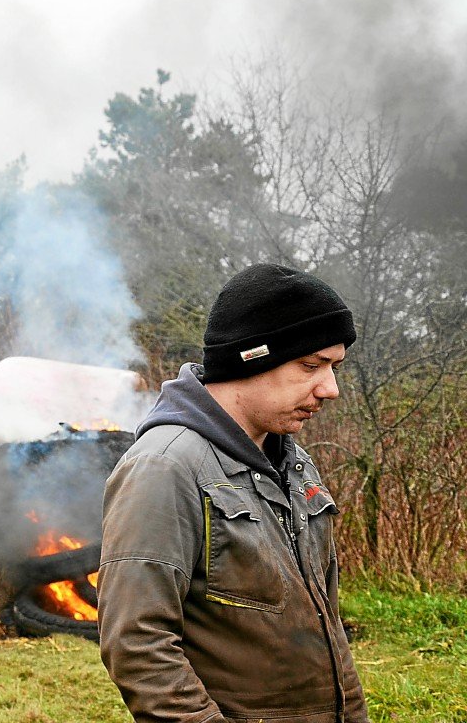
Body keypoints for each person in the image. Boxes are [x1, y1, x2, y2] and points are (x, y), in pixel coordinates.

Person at [99, 263, 369, 722]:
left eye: (334, 366)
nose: (330, 389)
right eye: (311, 365)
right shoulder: (165, 466)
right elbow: (138, 645)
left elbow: (327, 620)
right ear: (252, 357)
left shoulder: (294, 462)